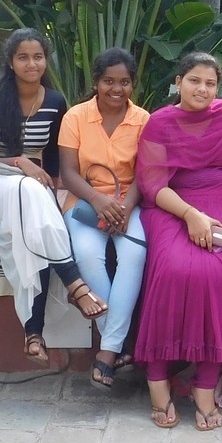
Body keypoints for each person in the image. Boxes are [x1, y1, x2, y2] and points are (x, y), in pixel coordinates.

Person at [0, 29, 106, 367]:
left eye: (38, 57)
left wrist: (55, 194)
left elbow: (54, 163)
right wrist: (20, 162)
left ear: (46, 60)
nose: (32, 64)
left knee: (37, 220)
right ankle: (75, 283)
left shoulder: (55, 102)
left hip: (31, 189)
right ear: (10, 62)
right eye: (23, 57)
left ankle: (33, 333)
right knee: (29, 191)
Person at [134, 52, 222, 431]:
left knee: (220, 273)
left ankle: (205, 385)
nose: (202, 89)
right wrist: (190, 215)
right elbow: (152, 184)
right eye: (194, 80)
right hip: (171, 202)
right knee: (173, 269)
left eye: (210, 83)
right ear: (178, 82)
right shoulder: (159, 122)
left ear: (218, 87)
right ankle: (157, 377)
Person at [59, 48, 151, 389]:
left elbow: (145, 173)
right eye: (109, 81)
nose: (117, 88)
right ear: (96, 82)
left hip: (130, 204)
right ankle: (115, 346)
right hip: (85, 202)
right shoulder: (76, 117)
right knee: (87, 255)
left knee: (134, 254)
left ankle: (108, 351)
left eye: (124, 82)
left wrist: (125, 208)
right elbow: (68, 173)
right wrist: (98, 200)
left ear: (133, 85)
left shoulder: (143, 119)